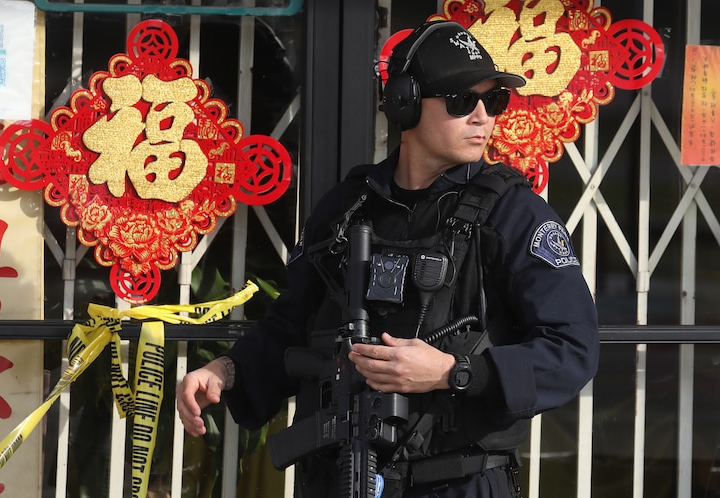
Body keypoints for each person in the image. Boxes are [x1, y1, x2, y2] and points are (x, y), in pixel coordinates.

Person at [176, 20, 599, 498]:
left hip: (457, 482)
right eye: (462, 101)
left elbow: (572, 349)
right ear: (406, 103)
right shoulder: (348, 205)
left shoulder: (513, 214)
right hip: (339, 476)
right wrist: (225, 371)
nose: (483, 116)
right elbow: (294, 323)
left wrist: (452, 371)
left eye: (494, 100)